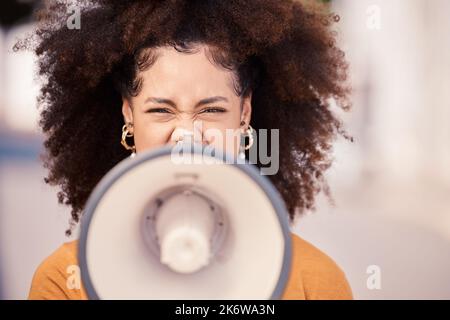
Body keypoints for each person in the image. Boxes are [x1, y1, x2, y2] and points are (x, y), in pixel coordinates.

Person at [16, 0, 353, 299]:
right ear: (128, 115)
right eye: (161, 110)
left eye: (212, 110)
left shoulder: (316, 283)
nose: (187, 136)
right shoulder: (66, 282)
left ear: (244, 114)